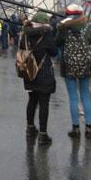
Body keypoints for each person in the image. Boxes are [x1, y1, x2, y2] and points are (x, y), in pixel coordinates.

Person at [56, 4, 91, 139]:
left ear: (67, 14)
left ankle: (76, 128)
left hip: (69, 65)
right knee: (85, 95)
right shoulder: (85, 25)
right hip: (84, 63)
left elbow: (57, 42)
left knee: (73, 97)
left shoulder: (63, 27)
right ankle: (89, 127)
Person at [19, 12, 58, 145]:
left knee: (32, 100)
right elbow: (54, 51)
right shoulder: (46, 34)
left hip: (29, 71)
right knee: (44, 103)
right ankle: (43, 134)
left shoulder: (25, 34)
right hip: (44, 72)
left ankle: (30, 128)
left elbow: (21, 49)